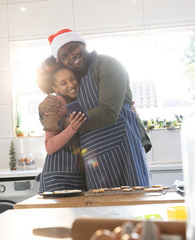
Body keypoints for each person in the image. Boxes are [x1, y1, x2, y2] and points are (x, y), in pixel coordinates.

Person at [39, 29, 151, 189]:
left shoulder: (107, 65)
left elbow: (108, 112)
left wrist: (65, 124)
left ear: (83, 44)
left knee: (132, 201)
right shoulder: (76, 79)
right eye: (64, 55)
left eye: (73, 48)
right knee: (101, 208)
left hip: (122, 149)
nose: (71, 56)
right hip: (95, 159)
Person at [36, 56, 87, 192]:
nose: (71, 85)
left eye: (72, 79)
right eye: (63, 83)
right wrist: (72, 128)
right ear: (55, 88)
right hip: (57, 179)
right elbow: (50, 146)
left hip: (80, 177)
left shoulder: (85, 98)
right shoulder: (55, 104)